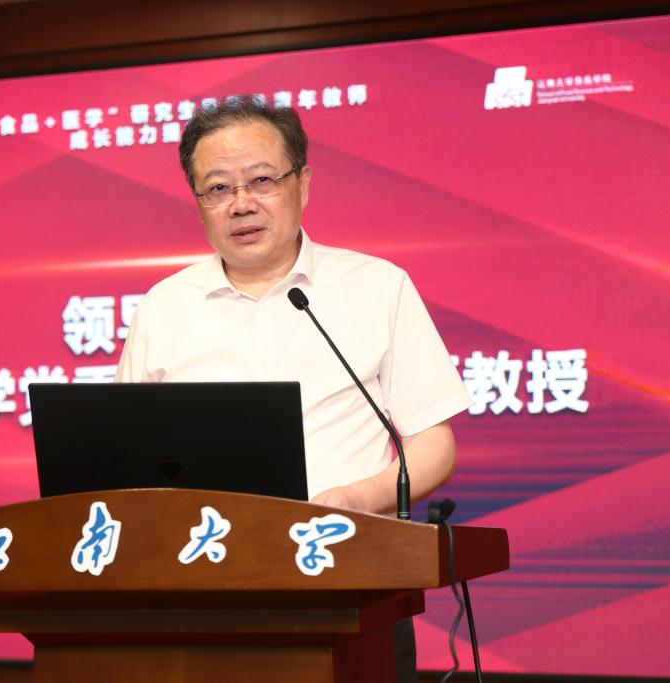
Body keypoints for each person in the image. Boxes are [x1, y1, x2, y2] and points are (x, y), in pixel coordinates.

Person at [114, 96, 472, 681]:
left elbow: (433, 446)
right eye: (218, 188)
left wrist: (356, 499)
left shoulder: (376, 287)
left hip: (349, 578)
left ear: (302, 183)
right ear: (198, 202)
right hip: (204, 587)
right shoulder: (164, 306)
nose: (242, 204)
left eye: (262, 180)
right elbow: (127, 459)